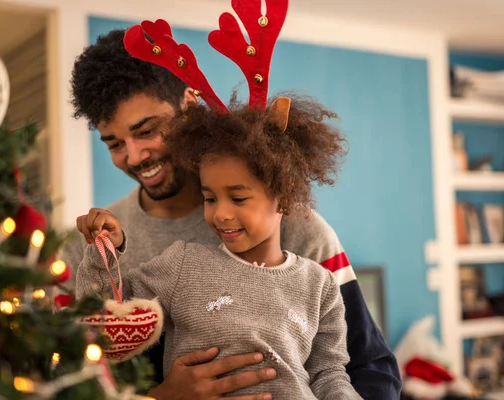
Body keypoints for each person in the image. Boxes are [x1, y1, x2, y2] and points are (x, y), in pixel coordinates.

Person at [65, 27, 401, 400]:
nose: (133, 156)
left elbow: (368, 368)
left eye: (148, 130)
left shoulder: (302, 232)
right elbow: (68, 378)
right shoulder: (97, 245)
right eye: (114, 144)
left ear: (190, 105)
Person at [76, 95, 363, 399]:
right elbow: (103, 313)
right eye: (210, 198)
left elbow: (329, 373)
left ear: (284, 193)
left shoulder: (321, 285)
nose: (220, 213)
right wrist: (104, 250)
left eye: (238, 198)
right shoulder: (183, 264)